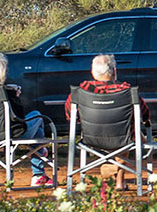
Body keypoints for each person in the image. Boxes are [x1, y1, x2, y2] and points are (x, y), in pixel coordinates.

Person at [64, 54, 150, 189]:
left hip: (90, 138)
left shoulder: (80, 91)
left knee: (125, 132)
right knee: (127, 131)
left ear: (92, 72)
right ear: (114, 71)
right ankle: (120, 181)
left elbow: (70, 115)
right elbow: (144, 114)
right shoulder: (126, 90)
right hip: (121, 138)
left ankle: (91, 177)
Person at [0, 52, 55, 187]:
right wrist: (16, 97)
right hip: (11, 134)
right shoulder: (4, 92)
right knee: (37, 115)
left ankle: (39, 154)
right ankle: (38, 162)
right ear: (1, 70)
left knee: (36, 126)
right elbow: (19, 118)